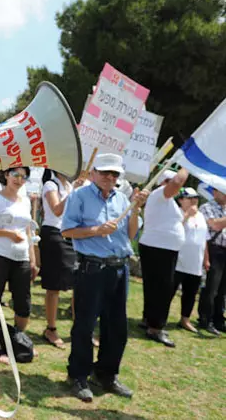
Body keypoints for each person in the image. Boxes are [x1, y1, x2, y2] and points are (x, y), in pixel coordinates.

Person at [62, 153, 148, 402]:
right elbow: (67, 230)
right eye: (105, 172)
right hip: (92, 269)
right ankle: (78, 376)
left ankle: (107, 374)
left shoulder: (123, 199)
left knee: (117, 327)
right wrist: (97, 230)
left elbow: (131, 234)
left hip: (119, 270)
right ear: (93, 173)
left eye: (115, 174)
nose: (110, 177)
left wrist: (135, 210)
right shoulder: (79, 196)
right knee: (85, 325)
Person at [0, 166, 36, 364]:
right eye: (16, 175)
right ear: (6, 175)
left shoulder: (26, 201)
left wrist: (32, 257)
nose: (19, 179)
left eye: (24, 177)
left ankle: (18, 340)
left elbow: (28, 230)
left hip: (21, 256)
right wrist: (8, 234)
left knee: (23, 303)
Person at [138, 168, 189, 347]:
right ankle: (155, 327)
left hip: (161, 247)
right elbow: (177, 183)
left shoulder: (165, 200)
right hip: (159, 248)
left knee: (155, 286)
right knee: (163, 288)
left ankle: (149, 319)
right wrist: (186, 165)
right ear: (164, 182)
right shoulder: (160, 193)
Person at [39, 169, 85, 348]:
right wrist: (74, 192)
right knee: (54, 285)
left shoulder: (70, 185)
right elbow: (57, 210)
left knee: (78, 284)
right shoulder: (51, 185)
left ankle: (79, 328)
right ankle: (51, 328)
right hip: (54, 234)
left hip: (71, 235)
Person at [170, 187, 209, 333]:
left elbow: (204, 239)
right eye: (190, 198)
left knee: (190, 294)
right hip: (178, 261)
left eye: (195, 198)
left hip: (195, 263)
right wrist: (186, 215)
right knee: (169, 292)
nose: (194, 201)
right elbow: (173, 230)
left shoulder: (200, 216)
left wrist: (206, 259)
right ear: (181, 200)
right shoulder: (177, 212)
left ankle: (184, 319)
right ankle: (155, 319)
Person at [197, 187, 226, 335]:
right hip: (214, 249)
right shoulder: (206, 207)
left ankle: (218, 319)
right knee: (211, 288)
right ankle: (205, 318)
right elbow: (214, 224)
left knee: (222, 290)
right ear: (215, 192)